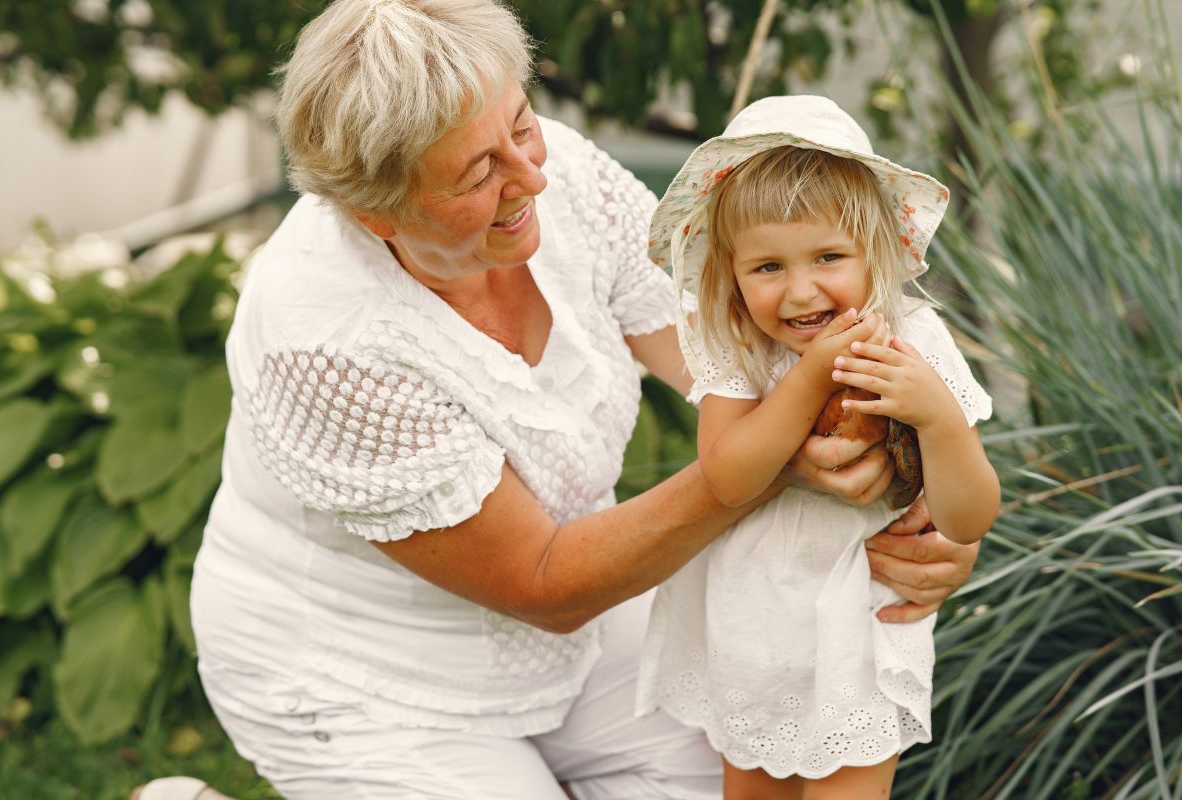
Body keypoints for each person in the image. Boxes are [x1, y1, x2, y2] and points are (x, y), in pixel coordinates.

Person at [180, 3, 983, 798]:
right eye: (477, 173)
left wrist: (923, 522)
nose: (531, 176)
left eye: (520, 126)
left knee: (766, 739)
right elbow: (542, 582)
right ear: (376, 213)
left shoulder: (555, 176)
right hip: (367, 670)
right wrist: (777, 466)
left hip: (587, 629)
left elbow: (743, 357)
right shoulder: (322, 338)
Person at [634, 95, 1000, 799]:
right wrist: (805, 381)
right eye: (767, 267)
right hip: (751, 622)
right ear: (731, 271)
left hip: (855, 628)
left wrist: (942, 421)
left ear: (878, 252)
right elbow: (730, 476)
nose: (801, 291)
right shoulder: (738, 344)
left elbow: (968, 517)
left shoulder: (912, 346)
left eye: (829, 256)